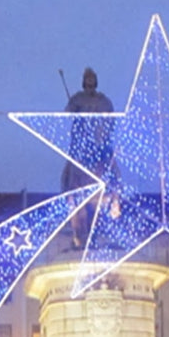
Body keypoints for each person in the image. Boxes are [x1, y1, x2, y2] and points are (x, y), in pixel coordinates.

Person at [61, 67, 115, 247]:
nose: (90, 83)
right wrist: (73, 110)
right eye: (87, 80)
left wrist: (103, 127)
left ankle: (115, 194)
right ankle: (68, 191)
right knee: (69, 170)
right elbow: (67, 113)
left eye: (92, 80)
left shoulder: (103, 100)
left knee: (112, 167)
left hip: (99, 142)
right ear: (84, 82)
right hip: (81, 142)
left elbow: (111, 119)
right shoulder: (77, 98)